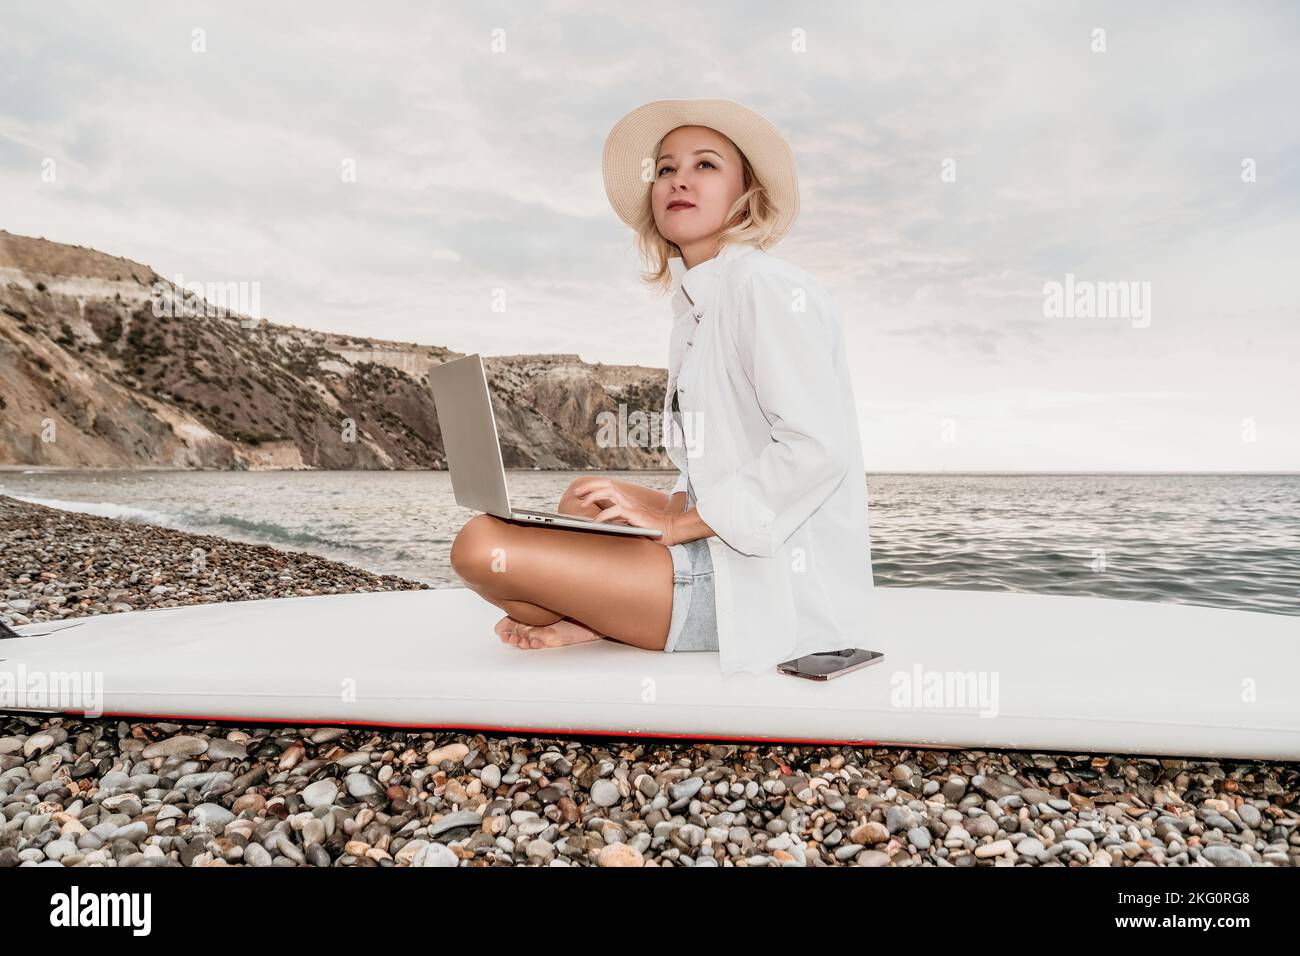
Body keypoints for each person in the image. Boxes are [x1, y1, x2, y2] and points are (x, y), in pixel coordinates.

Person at [450, 97, 874, 678]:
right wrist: (668, 509)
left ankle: (607, 614)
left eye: (705, 165)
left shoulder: (766, 288)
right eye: (666, 168)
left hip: (766, 584)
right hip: (722, 537)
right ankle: (601, 616)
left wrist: (675, 527)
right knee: (584, 498)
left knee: (478, 548)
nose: (679, 180)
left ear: (744, 194)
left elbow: (815, 449)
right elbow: (716, 458)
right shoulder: (698, 303)